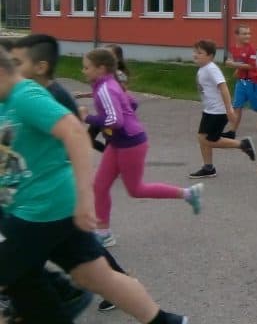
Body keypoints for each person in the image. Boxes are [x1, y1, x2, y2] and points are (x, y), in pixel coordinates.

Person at [0, 47, 191, 324]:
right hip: (43, 208)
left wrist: (85, 198)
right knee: (94, 276)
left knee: (16, 275)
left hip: (43, 208)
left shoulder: (25, 96)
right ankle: (166, 321)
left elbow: (75, 133)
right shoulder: (6, 102)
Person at [7, 36, 132, 315]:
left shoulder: (51, 95)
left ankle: (101, 288)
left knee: (80, 252)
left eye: (17, 63)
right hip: (37, 189)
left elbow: (74, 137)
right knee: (64, 250)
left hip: (55, 187)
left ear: (40, 66)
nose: (13, 70)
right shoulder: (34, 93)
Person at [80, 48, 203, 247]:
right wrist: (124, 110)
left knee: (136, 189)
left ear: (100, 69)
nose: (83, 71)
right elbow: (133, 103)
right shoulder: (108, 84)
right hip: (119, 142)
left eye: (86, 67)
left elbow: (115, 120)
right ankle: (104, 233)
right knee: (99, 186)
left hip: (131, 143)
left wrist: (88, 118)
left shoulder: (106, 88)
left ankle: (188, 194)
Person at [188, 39, 255, 179]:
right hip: (209, 110)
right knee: (202, 138)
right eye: (195, 52)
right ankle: (208, 168)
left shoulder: (211, 69)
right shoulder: (203, 69)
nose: (195, 54)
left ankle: (242, 144)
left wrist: (229, 110)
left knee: (208, 140)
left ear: (210, 56)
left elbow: (223, 88)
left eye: (199, 53)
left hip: (218, 112)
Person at [223, 25, 257, 138]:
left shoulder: (251, 49)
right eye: (244, 33)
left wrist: (233, 65)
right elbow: (235, 61)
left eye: (249, 33)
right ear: (237, 35)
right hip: (241, 81)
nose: (248, 36)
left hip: (253, 81)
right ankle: (232, 132)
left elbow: (251, 66)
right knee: (237, 106)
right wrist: (235, 68)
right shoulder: (233, 48)